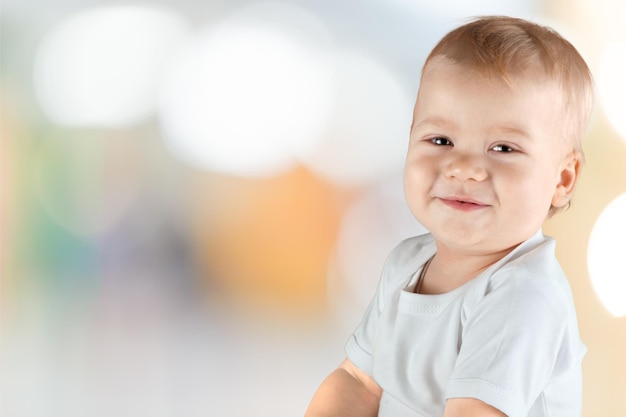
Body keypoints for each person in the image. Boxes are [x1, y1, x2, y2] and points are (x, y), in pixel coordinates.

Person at [304, 16, 593, 417]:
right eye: (441, 140)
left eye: (503, 148)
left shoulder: (524, 297)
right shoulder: (407, 264)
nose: (463, 167)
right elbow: (359, 380)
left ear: (562, 179)